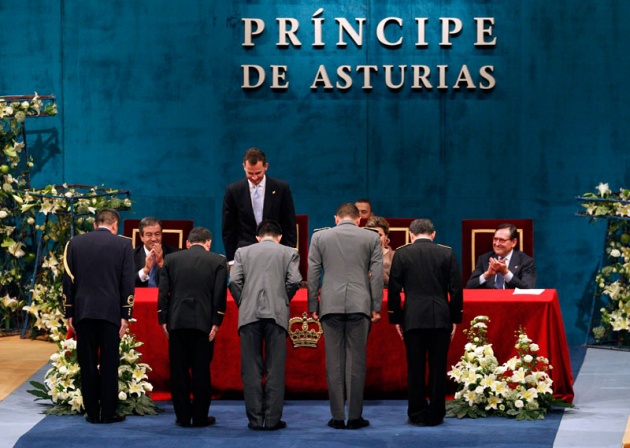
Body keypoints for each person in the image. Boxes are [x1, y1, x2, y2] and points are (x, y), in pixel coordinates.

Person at [307, 203, 383, 430]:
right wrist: (376, 306)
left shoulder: (320, 238)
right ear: (359, 219)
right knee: (356, 363)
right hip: (361, 305)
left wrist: (313, 304)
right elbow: (377, 275)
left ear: (336, 219)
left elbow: (312, 273)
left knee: (334, 362)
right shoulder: (370, 238)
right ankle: (356, 416)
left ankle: (338, 417)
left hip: (330, 305)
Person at [388, 218, 463, 427]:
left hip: (412, 318)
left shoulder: (402, 253)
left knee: (415, 367)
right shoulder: (446, 252)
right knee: (438, 368)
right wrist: (455, 318)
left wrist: (396, 318)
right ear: (433, 234)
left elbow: (394, 290)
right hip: (440, 317)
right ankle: (437, 412)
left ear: (410, 234)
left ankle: (417, 412)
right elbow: (456, 289)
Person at [62, 209, 135, 424]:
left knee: (88, 363)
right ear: (115, 225)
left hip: (83, 312)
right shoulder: (123, 245)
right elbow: (127, 282)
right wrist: (126, 315)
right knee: (109, 363)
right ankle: (109, 411)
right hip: (111, 313)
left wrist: (69, 311)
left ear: (95, 224)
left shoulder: (74, 244)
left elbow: (68, 281)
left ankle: (92, 412)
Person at [229, 220, 302, 431]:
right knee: (275, 369)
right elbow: (295, 280)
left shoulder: (242, 252)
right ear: (279, 237)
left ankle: (255, 420)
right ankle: (272, 420)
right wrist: (282, 298)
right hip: (276, 314)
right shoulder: (289, 252)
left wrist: (244, 301)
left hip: (249, 314)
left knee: (251, 370)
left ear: (258, 237)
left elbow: (234, 282)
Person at [157, 227, 228, 428]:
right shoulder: (217, 261)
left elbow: (163, 293)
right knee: (201, 371)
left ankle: (182, 416)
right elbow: (219, 296)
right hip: (204, 323)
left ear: (188, 242)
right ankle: (199, 417)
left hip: (177, 321)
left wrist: (163, 319)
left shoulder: (171, 260)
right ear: (208, 243)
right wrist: (216, 322)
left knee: (178, 370)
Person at [222, 148, 297, 263]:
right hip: (245, 255)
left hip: (275, 254)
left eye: (258, 173)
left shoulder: (281, 189)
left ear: (266, 166)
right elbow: (228, 229)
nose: (254, 177)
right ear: (243, 167)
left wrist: (289, 256)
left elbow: (289, 225)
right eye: (250, 173)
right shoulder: (234, 191)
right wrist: (232, 260)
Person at [465, 223, 537, 289]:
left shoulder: (526, 262)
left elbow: (528, 289)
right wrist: (486, 275)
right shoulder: (484, 259)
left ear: (514, 242)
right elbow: (469, 286)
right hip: (488, 300)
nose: (497, 243)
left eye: (502, 240)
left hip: (512, 301)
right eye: (495, 239)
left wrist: (506, 273)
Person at [133, 217, 179, 287]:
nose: (154, 239)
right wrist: (145, 270)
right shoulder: (132, 255)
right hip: (139, 296)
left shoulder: (174, 254)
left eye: (157, 234)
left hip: (165, 297)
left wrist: (161, 264)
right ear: (141, 237)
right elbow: (127, 282)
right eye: (149, 235)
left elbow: (178, 282)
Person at [366, 216, 395, 286]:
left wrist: (380, 274)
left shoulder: (395, 256)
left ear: (386, 236)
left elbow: (399, 285)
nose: (376, 238)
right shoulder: (362, 255)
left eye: (380, 235)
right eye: (373, 235)